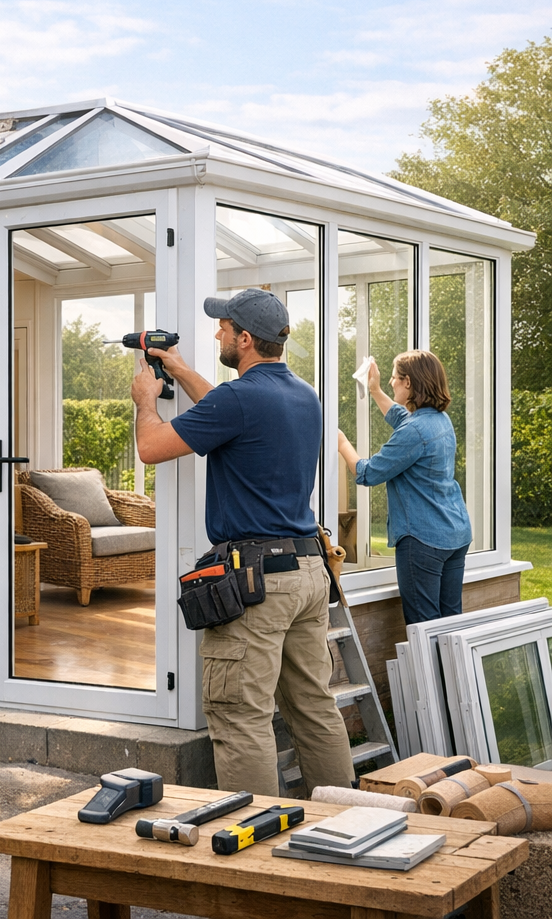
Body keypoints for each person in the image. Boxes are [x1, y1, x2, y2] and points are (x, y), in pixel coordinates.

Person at [131, 287, 354, 797]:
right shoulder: (302, 394)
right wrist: (182, 369)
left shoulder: (240, 398)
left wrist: (146, 401)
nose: (217, 333)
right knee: (314, 707)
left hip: (258, 585)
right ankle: (341, 820)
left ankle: (252, 840)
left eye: (224, 328)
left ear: (245, 339)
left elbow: (151, 448)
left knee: (240, 715)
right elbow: (228, 412)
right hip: (307, 573)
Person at [337, 351, 472, 627]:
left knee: (424, 627)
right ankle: (449, 673)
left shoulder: (416, 431)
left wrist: (341, 443)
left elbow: (368, 472)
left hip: (425, 540)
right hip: (455, 533)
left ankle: (429, 673)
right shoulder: (438, 420)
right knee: (450, 624)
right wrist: (373, 390)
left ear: (408, 383)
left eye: (394, 378)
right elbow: (402, 419)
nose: (390, 382)